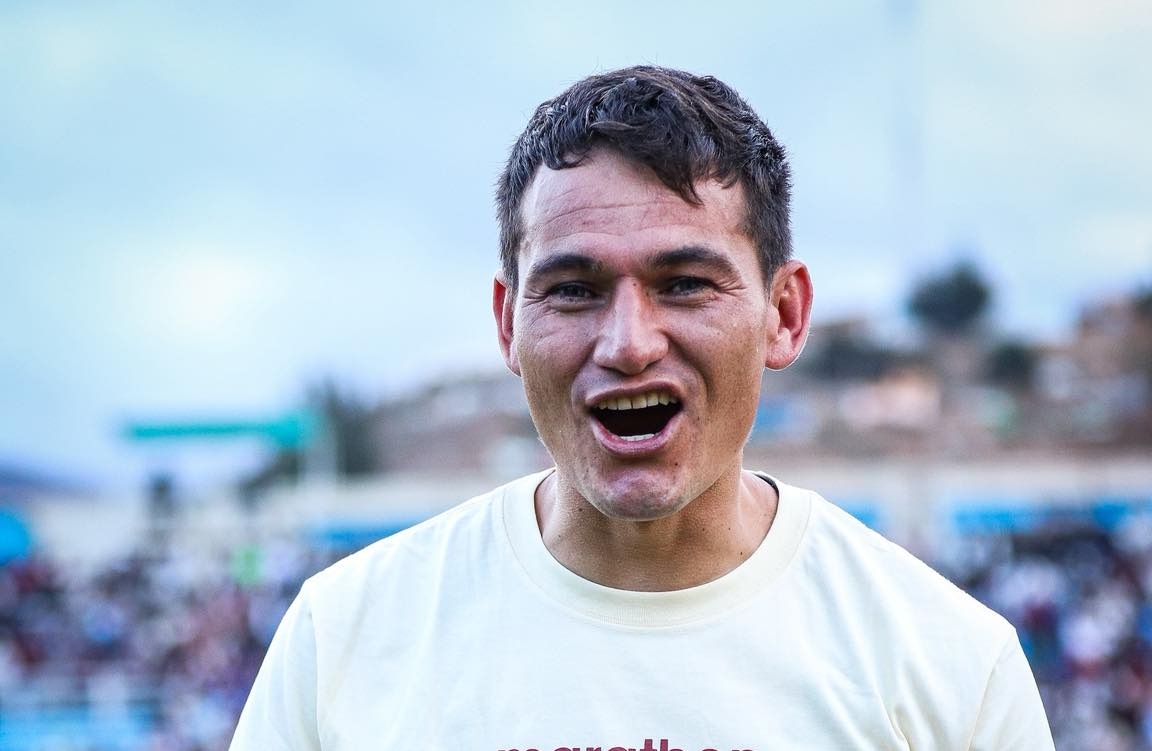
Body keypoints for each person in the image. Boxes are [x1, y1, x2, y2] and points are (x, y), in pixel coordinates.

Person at [230, 65, 1054, 750]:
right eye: (574, 288)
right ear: (507, 323)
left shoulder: (950, 665)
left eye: (685, 283)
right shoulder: (341, 642)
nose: (628, 342)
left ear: (785, 314)